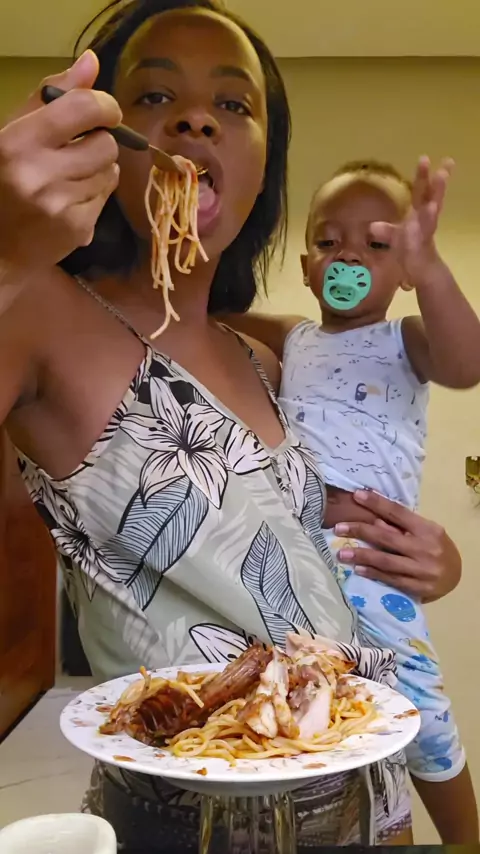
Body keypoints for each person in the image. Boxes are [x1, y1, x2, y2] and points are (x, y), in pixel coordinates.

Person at [0, 2, 464, 848]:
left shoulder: (269, 357)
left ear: (262, 172)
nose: (194, 118)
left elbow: (311, 541)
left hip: (369, 795)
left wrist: (428, 557)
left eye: (232, 103)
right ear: (101, 139)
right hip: (191, 820)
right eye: (153, 97)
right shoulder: (36, 309)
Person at [227, 158, 480, 843]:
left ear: (403, 271)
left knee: (418, 701)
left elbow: (468, 364)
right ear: (308, 268)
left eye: (377, 243)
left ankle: (464, 836)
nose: (349, 257)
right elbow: (212, 322)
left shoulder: (408, 339)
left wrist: (432, 270)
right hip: (296, 551)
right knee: (320, 699)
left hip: (371, 555)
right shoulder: (293, 336)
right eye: (329, 241)